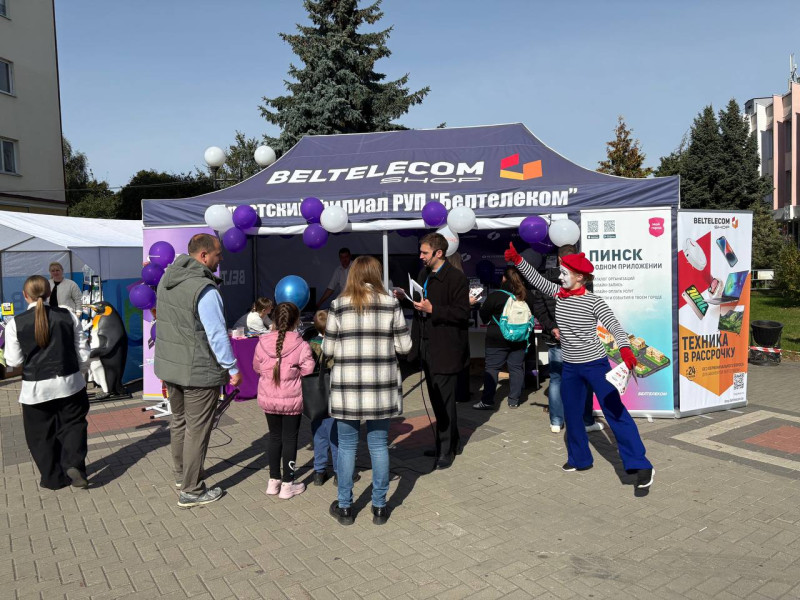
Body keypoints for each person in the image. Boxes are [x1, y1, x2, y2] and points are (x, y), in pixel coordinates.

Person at [505, 243, 654, 489]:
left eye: (565, 273)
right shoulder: (557, 293)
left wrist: (625, 349)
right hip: (571, 367)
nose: (560, 276)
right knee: (572, 415)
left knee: (614, 412)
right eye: (561, 272)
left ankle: (641, 464)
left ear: (580, 277)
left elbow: (614, 326)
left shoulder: (594, 302)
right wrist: (518, 260)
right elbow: (535, 279)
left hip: (596, 365)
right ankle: (579, 459)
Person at [155, 233, 242, 508]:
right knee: (197, 429)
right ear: (204, 256)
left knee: (179, 422)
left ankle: (182, 476)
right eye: (218, 254)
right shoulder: (204, 289)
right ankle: (191, 490)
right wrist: (232, 367)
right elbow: (216, 334)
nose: (221, 258)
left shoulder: (166, 279)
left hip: (172, 366)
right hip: (197, 369)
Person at [325, 256, 412, 525]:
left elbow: (328, 349)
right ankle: (380, 507)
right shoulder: (391, 304)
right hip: (380, 386)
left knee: (347, 446)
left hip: (347, 387)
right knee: (378, 445)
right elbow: (405, 347)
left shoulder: (338, 305)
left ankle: (345, 507)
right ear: (377, 274)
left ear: (352, 274)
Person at [4, 275, 90, 490]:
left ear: (25, 296)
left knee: (40, 436)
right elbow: (82, 350)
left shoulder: (15, 323)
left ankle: (53, 478)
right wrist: (80, 372)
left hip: (35, 389)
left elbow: (13, 361)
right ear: (50, 293)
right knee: (74, 426)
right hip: (70, 382)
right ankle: (74, 465)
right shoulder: (68, 315)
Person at [398, 233, 470, 470]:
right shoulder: (424, 274)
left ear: (439, 253)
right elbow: (420, 305)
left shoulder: (456, 278)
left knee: (445, 401)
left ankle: (446, 450)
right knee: (436, 398)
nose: (421, 256)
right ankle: (448, 442)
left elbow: (462, 313)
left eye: (425, 252)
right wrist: (405, 298)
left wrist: (434, 309)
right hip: (426, 345)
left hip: (446, 348)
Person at [533, 245, 605, 434]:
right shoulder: (581, 279)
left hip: (555, 338)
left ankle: (556, 421)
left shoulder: (546, 278)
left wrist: (552, 327)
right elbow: (586, 309)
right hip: (578, 342)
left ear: (559, 259)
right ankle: (586, 421)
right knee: (584, 380)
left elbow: (539, 309)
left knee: (556, 379)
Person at [253, 302, 314, 499]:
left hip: (269, 397)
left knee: (274, 437)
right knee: (290, 439)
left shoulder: (262, 343)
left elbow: (257, 367)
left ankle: (273, 481)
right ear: (296, 321)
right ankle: (288, 483)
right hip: (291, 399)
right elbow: (309, 370)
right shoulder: (301, 345)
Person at [474, 266, 536, 410]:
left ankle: (487, 401)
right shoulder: (527, 295)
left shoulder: (496, 295)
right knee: (516, 368)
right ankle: (514, 400)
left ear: (504, 278)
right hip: (520, 337)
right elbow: (533, 312)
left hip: (496, 337)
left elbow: (484, 314)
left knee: (492, 368)